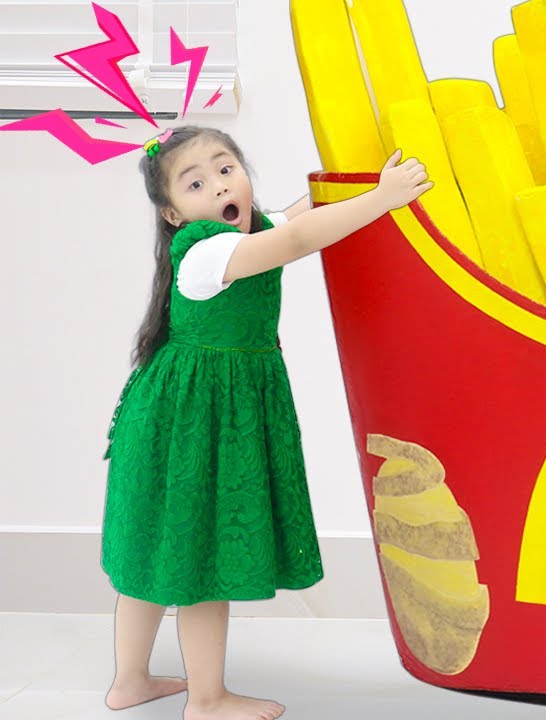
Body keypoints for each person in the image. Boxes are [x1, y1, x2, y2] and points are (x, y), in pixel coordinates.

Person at [100, 125, 431, 720]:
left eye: (227, 169)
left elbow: (296, 216)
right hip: (192, 424)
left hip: (189, 415)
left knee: (158, 550)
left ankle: (131, 682)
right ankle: (207, 699)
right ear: (173, 214)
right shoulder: (207, 251)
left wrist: (348, 180)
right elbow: (299, 238)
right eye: (195, 184)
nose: (219, 185)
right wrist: (384, 198)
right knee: (200, 558)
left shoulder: (247, 230)